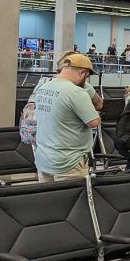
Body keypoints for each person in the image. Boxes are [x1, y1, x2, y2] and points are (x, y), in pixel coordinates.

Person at [32, 53, 101, 182]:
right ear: (82, 73)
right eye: (86, 76)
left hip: (43, 158)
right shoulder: (76, 92)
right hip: (69, 162)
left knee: (47, 199)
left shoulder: (42, 87)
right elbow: (94, 122)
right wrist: (96, 114)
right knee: (70, 201)